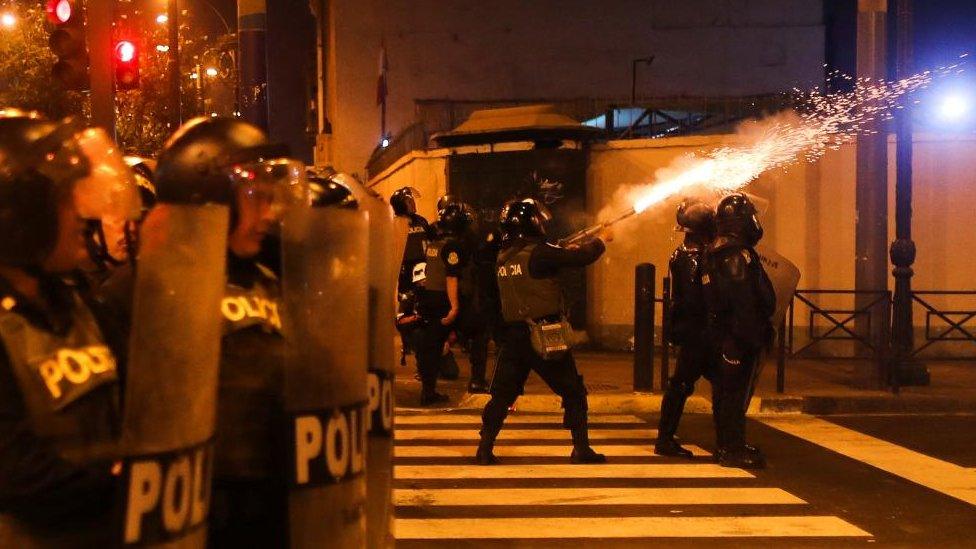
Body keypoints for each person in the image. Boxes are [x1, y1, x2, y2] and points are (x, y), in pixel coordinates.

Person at [153, 116, 302, 545]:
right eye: (255, 198)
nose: (268, 213)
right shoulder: (154, 287)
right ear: (211, 199)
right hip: (201, 515)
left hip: (272, 508)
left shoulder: (266, 279)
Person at [0, 110, 141, 545]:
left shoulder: (83, 307)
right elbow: (19, 475)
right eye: (65, 200)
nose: (82, 215)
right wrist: (126, 477)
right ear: (23, 216)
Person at [477, 198, 610, 465]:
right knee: (573, 391)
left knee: (502, 395)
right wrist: (602, 240)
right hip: (544, 334)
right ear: (533, 222)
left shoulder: (503, 256)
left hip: (514, 336)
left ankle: (484, 449)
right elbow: (582, 257)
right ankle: (581, 448)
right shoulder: (540, 252)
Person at [702, 193, 776, 469]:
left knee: (727, 393)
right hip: (735, 339)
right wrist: (746, 340)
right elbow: (743, 303)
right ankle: (731, 449)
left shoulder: (721, 250)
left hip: (726, 337)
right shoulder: (734, 256)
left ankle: (728, 444)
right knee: (732, 395)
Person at [655, 199, 716, 458]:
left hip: (692, 330)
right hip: (699, 331)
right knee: (682, 384)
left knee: (684, 383)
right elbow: (696, 299)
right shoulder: (694, 257)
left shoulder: (684, 252)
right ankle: (665, 439)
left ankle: (666, 438)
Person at [411, 199, 469, 405]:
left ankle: (428, 390)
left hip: (427, 298)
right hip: (441, 299)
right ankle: (429, 391)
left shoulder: (434, 244)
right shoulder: (452, 246)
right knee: (435, 347)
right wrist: (454, 307)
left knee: (430, 347)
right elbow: (451, 277)